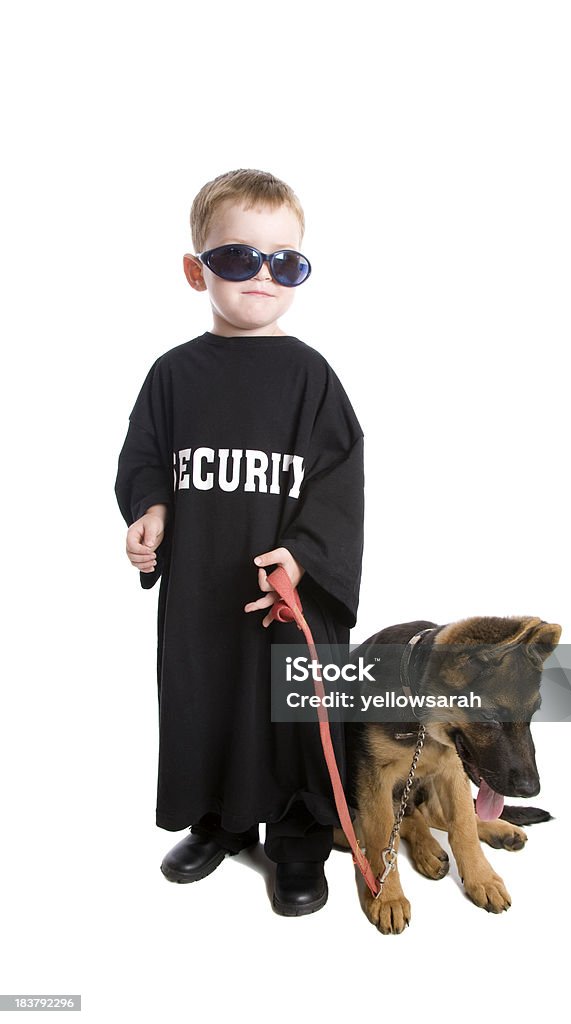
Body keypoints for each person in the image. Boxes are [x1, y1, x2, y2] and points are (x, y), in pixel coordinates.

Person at [114, 169, 364, 917]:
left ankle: (298, 840)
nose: (261, 275)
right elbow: (143, 455)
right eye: (236, 257)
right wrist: (148, 507)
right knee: (206, 703)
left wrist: (303, 555)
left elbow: (339, 479)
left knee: (291, 711)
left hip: (286, 596)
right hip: (201, 590)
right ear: (197, 270)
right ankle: (218, 823)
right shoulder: (172, 374)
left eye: (283, 261)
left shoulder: (310, 376)